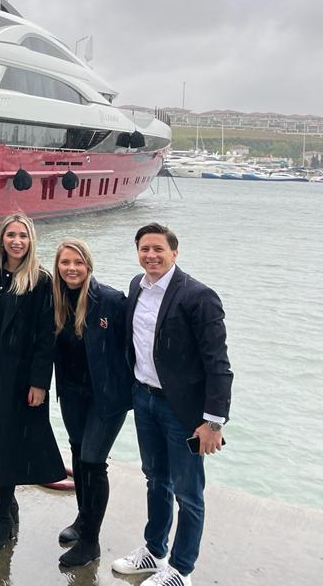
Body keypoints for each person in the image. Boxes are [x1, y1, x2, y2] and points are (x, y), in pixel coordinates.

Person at [112, 223, 233, 586]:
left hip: (183, 411)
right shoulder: (137, 286)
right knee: (155, 479)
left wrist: (213, 422)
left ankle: (181, 569)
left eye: (158, 249)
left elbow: (218, 363)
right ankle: (154, 551)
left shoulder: (199, 296)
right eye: (144, 249)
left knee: (188, 492)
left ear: (174, 253)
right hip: (144, 398)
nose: (151, 255)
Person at [0, 213, 66, 551]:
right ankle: (6, 503)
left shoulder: (40, 281)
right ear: (1, 239)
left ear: (31, 240)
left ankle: (2, 517)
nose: (16, 241)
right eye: (11, 235)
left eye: (23, 235)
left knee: (6, 443)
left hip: (18, 377)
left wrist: (39, 382)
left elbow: (46, 337)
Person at [51, 238, 133, 567]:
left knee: (93, 461)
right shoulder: (54, 300)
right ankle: (83, 520)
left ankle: (90, 543)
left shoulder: (111, 300)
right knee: (77, 453)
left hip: (106, 396)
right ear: (57, 267)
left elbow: (135, 343)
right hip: (71, 392)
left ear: (89, 265)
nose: (71, 268)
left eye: (78, 262)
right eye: (65, 262)